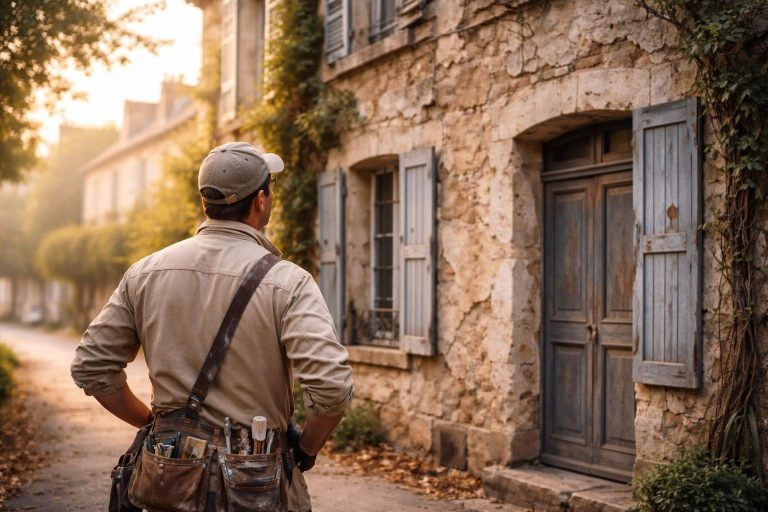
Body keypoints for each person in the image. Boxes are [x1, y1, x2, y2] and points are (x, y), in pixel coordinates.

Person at [71, 141, 354, 512]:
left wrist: (157, 424)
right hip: (256, 483)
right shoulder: (289, 282)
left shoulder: (145, 272)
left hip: (167, 478)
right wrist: (305, 449)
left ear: (206, 201)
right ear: (260, 201)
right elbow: (331, 386)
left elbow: (91, 366)